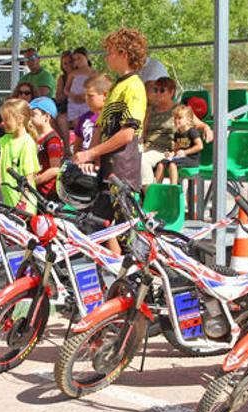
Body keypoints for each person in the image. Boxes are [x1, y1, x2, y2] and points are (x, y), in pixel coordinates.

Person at [74, 28, 149, 255]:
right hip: (107, 169)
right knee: (100, 226)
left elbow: (128, 134)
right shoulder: (117, 85)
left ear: (123, 53)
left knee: (126, 234)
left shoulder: (134, 86)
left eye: (110, 52)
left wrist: (90, 152)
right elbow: (100, 125)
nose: (107, 57)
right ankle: (117, 275)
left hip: (123, 170)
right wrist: (93, 155)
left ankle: (138, 279)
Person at [0, 98, 40, 213]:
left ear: (20, 119)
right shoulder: (3, 140)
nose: (3, 123)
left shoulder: (27, 143)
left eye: (6, 120)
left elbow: (29, 177)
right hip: (7, 202)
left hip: (23, 205)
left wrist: (22, 202)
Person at [154, 105, 203, 184]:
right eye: (175, 118)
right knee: (161, 164)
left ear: (188, 120)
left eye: (179, 118)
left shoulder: (192, 132)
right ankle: (157, 187)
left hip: (191, 159)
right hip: (180, 158)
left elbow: (200, 146)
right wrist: (171, 154)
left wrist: (185, 152)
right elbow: (176, 148)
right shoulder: (177, 133)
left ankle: (173, 187)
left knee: (172, 164)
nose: (176, 120)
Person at [29, 96, 64, 201]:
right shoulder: (34, 136)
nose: (30, 118)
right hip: (36, 189)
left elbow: (55, 169)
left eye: (33, 114)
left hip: (46, 193)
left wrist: (35, 181)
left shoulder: (52, 139)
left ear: (47, 117)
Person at [73, 75, 110, 156]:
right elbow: (78, 146)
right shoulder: (84, 118)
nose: (86, 99)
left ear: (105, 95)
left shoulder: (111, 118)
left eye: (90, 96)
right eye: (85, 95)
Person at [65, 47, 95, 127]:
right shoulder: (73, 73)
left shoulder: (94, 73)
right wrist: (72, 95)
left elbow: (97, 89)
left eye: (79, 58)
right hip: (74, 103)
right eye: (75, 59)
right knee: (77, 127)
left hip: (88, 103)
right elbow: (66, 89)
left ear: (86, 57)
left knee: (88, 125)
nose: (77, 61)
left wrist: (85, 96)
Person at [53, 50, 73, 144]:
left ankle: (68, 146)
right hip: (66, 106)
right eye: (65, 63)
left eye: (70, 62)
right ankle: (63, 145)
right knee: (52, 118)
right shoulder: (62, 78)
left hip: (80, 106)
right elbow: (58, 98)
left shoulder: (81, 75)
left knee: (62, 119)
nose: (68, 65)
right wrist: (67, 91)